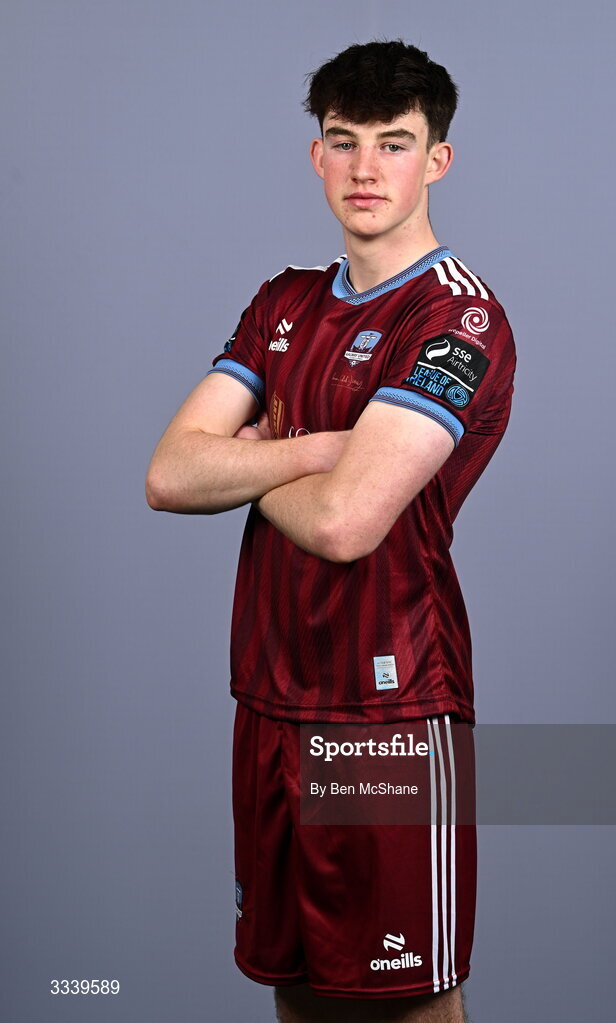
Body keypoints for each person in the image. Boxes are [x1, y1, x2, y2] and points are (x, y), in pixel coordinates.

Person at [146, 39, 515, 1023]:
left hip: (386, 718)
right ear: (316, 155)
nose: (363, 169)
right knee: (299, 992)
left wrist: (256, 458)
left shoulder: (457, 323)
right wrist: (314, 452)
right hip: (268, 701)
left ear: (438, 159)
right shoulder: (284, 304)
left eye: (393, 145)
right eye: (342, 142)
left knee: (407, 1007)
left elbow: (350, 523)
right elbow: (170, 473)